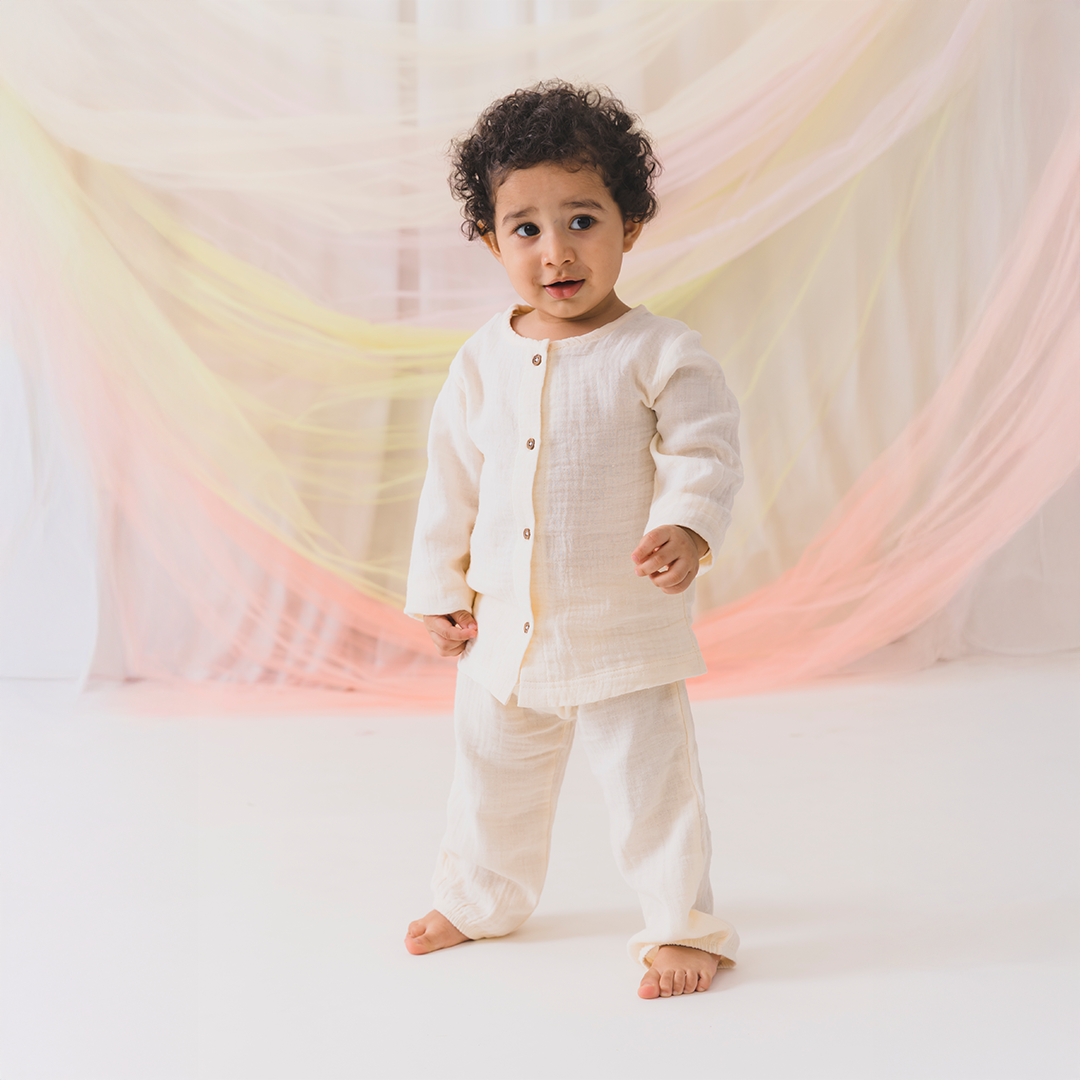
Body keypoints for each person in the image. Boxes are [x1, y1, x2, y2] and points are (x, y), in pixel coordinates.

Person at [402, 81, 743, 999]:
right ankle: (480, 897)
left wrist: (686, 524)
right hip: (503, 634)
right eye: (525, 229)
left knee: (652, 791)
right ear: (490, 240)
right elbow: (452, 479)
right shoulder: (481, 358)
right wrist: (439, 583)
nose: (556, 253)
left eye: (583, 219)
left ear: (630, 225)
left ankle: (682, 926)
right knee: (489, 781)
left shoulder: (660, 351)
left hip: (621, 628)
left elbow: (705, 451)